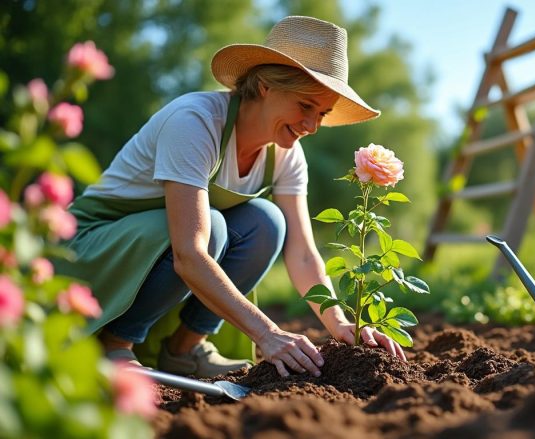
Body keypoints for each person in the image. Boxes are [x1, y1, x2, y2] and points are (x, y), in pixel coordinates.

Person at [56, 15, 406, 378]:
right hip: (93, 249)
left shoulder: (286, 154)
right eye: (305, 106)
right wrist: (268, 334)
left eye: (322, 113)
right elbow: (189, 253)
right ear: (267, 85)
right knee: (215, 229)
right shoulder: (195, 122)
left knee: (267, 223)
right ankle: (115, 344)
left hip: (157, 252)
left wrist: (340, 323)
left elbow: (302, 253)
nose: (312, 126)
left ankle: (184, 350)